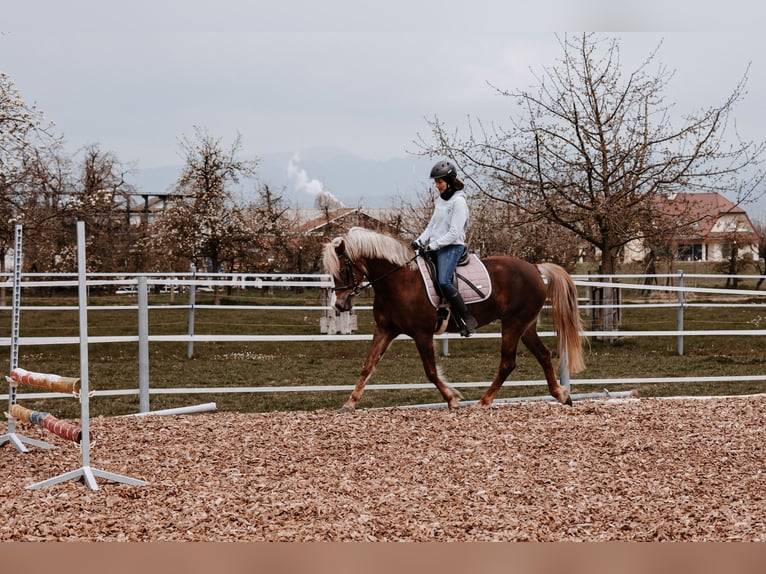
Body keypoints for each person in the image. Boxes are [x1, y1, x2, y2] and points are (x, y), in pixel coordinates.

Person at [412, 160, 478, 337]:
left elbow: (455, 233)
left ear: (449, 181)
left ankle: (467, 318)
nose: (437, 185)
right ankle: (439, 310)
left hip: (452, 247)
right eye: (436, 182)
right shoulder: (440, 201)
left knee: (443, 281)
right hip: (437, 246)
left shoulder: (459, 203)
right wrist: (419, 241)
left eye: (439, 182)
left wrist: (432, 245)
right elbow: (432, 226)